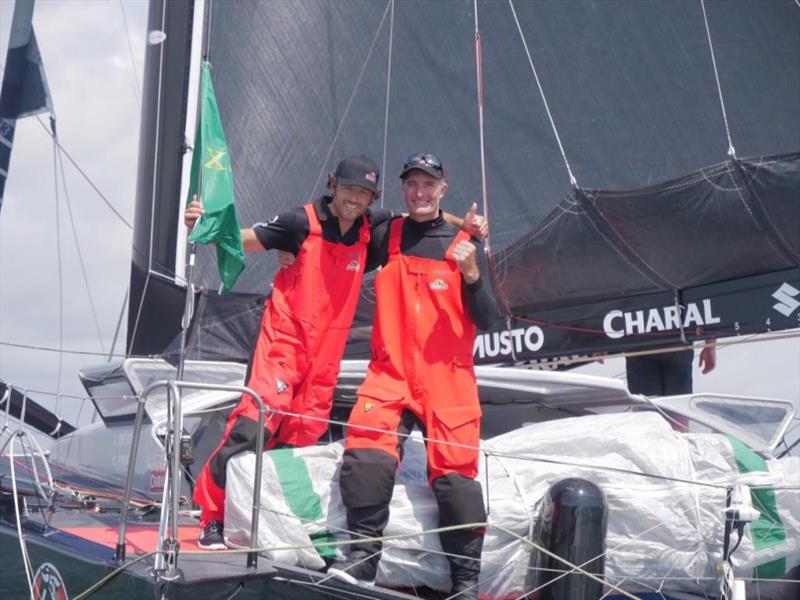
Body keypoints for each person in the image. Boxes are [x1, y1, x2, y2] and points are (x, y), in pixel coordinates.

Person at [188, 155, 487, 550]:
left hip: (327, 354)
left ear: (371, 198)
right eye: (348, 189)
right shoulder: (299, 223)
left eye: (363, 193)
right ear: (333, 185)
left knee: (299, 444)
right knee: (251, 430)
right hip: (284, 345)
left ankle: (274, 524)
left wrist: (468, 228)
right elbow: (241, 238)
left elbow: (423, 214)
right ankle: (213, 516)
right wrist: (203, 224)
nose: (354, 198)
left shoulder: (371, 227)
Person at [328, 153, 498, 598]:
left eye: (429, 185)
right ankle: (362, 563)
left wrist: (472, 271)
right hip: (392, 371)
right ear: (404, 190)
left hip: (449, 379)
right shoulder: (388, 234)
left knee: (457, 478)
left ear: (443, 188)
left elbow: (492, 319)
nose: (420, 193)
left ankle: (466, 583)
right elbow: (341, 213)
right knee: (365, 449)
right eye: (412, 185)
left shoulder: (465, 243)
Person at [625, 339, 717, 396]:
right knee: (677, 414)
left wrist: (710, 344)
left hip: (639, 343)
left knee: (646, 416)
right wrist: (710, 343)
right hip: (677, 341)